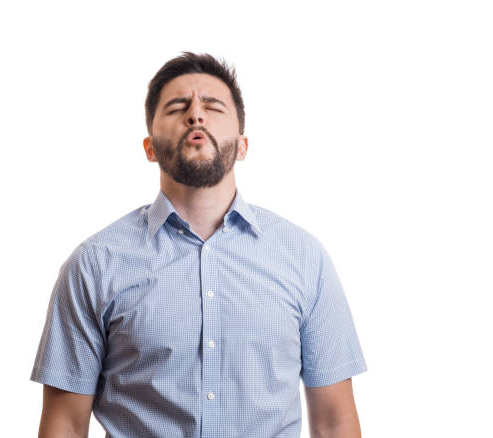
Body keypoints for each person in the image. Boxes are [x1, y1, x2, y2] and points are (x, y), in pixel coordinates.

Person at [30, 51, 368, 438]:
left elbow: (334, 421)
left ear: (242, 146)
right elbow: (65, 424)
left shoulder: (305, 259)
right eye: (177, 107)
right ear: (150, 147)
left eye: (213, 106)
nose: (196, 115)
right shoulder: (93, 264)